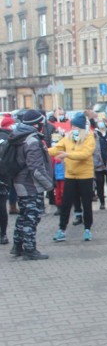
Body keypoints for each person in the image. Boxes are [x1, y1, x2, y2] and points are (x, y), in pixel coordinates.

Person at [9, 110, 54, 260]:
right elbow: (36, 168)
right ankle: (29, 249)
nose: (43, 125)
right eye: (41, 122)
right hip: (31, 185)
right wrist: (49, 185)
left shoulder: (20, 136)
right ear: (36, 124)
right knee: (31, 217)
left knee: (23, 215)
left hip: (21, 182)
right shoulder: (32, 140)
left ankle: (18, 246)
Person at [49, 113, 96, 243]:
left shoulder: (89, 137)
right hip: (70, 175)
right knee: (66, 203)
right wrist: (43, 150)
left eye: (76, 127)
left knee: (86, 203)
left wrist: (67, 154)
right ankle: (61, 229)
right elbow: (57, 148)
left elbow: (85, 154)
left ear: (81, 128)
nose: (73, 129)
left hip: (85, 176)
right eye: (72, 126)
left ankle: (87, 229)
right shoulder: (68, 137)